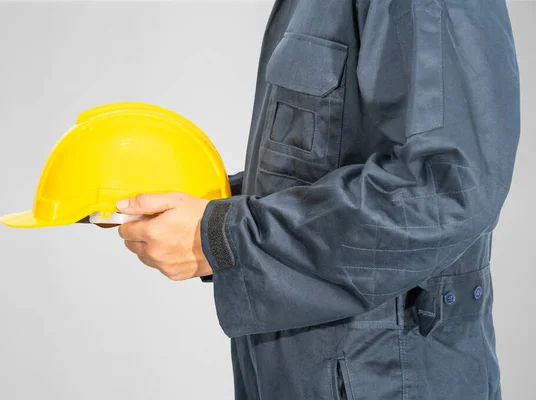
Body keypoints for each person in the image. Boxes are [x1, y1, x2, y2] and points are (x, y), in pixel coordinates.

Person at [112, 0, 520, 398]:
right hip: (294, 366)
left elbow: (448, 192)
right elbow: (321, 161)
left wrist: (224, 238)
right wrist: (204, 210)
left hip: (385, 374)